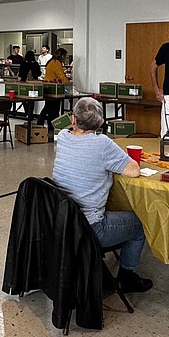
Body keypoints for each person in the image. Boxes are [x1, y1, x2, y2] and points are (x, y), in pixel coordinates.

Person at [53, 97, 152, 294]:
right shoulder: (103, 144)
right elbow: (133, 171)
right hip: (90, 227)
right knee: (140, 224)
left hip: (60, 223)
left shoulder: (63, 136)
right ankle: (126, 277)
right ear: (101, 123)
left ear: (73, 120)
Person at [36, 47, 69, 129]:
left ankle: (46, 125)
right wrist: (69, 84)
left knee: (48, 107)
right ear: (61, 56)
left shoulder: (51, 61)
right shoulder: (56, 63)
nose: (65, 58)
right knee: (53, 109)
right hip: (54, 89)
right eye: (65, 56)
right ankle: (50, 125)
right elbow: (61, 75)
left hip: (48, 87)